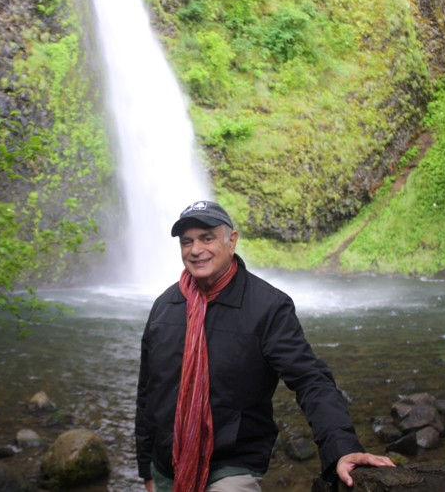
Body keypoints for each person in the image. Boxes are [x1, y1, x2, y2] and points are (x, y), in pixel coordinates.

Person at [135, 200, 394, 492]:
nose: (195, 250)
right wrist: (147, 468)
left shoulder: (267, 307)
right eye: (187, 242)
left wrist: (342, 447)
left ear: (231, 240)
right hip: (166, 466)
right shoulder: (164, 307)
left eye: (207, 238)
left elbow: (310, 379)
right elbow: (148, 393)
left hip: (230, 465)